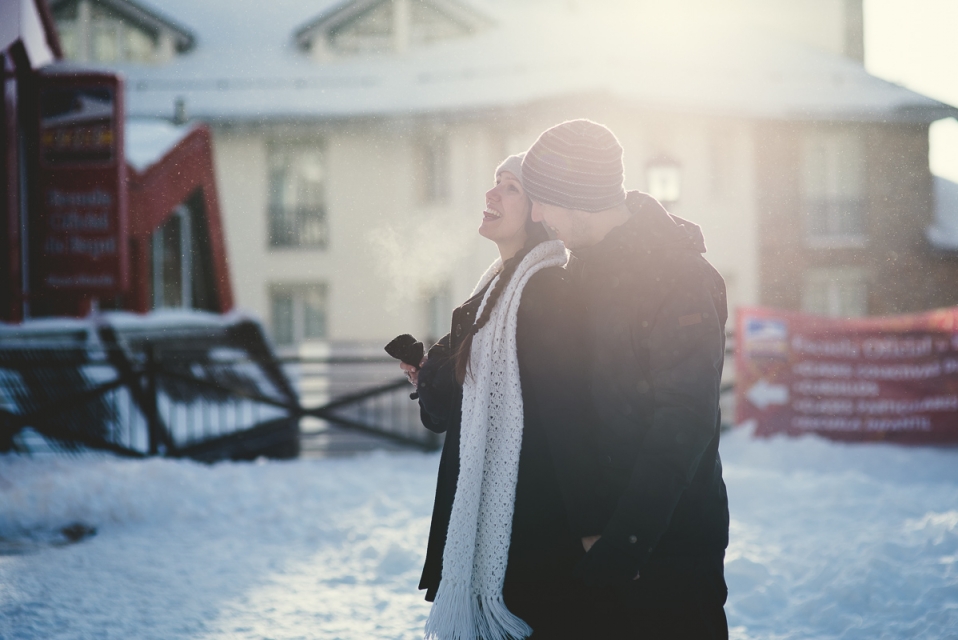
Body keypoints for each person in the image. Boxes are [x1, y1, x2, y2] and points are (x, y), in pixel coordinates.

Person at [521, 119, 730, 639]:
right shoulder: (575, 274)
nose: (536, 214)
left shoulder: (679, 279)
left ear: (579, 196)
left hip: (667, 553)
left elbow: (684, 420)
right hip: (592, 544)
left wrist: (624, 544)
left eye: (543, 198)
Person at [401, 154, 601, 639]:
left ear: (539, 209)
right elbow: (445, 414)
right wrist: (426, 377)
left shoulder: (551, 291)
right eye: (494, 183)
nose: (491, 195)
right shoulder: (483, 298)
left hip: (530, 520)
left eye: (510, 187)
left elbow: (572, 413)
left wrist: (592, 524)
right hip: (477, 517)